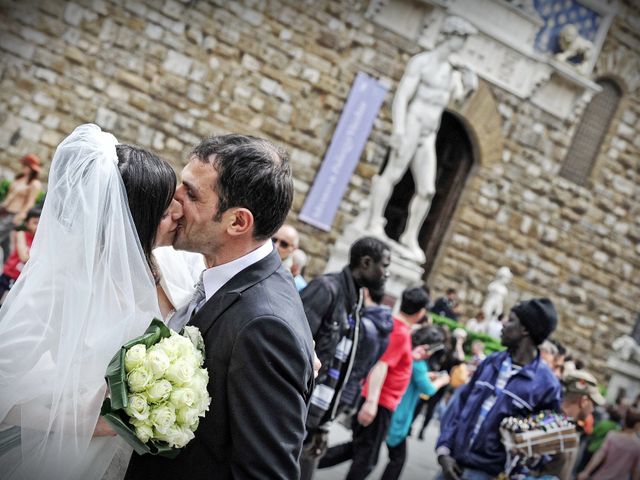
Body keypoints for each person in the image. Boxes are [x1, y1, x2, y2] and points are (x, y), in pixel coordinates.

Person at [126, 134, 315, 480]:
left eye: (192, 194)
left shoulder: (266, 328)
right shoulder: (213, 273)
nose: (174, 200)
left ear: (238, 222)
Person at [0, 124, 181, 479]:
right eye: (164, 212)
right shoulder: (60, 285)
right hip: (61, 456)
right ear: (133, 221)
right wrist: (84, 424)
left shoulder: (166, 266)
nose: (177, 217)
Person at [358, 16, 477, 261]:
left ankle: (410, 236)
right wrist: (399, 129)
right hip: (413, 122)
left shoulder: (451, 73)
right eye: (461, 38)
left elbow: (457, 102)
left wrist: (470, 86)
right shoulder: (422, 63)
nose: (463, 44)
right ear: (450, 36)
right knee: (393, 173)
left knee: (427, 190)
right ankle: (373, 222)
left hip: (429, 133)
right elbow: (402, 97)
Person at [436, 298, 562, 480]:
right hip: (452, 464)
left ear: (525, 330)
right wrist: (444, 450)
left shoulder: (548, 385)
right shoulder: (490, 362)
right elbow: (459, 406)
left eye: (510, 320)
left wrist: (520, 463)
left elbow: (546, 445)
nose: (502, 325)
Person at [299, 236, 391, 480]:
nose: (387, 273)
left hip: (312, 421)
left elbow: (339, 369)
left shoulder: (355, 302)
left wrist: (323, 424)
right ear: (366, 263)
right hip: (294, 416)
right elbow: (292, 354)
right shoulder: (326, 289)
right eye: (385, 265)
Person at [322, 287, 429, 479]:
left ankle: (308, 459)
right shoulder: (400, 332)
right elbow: (381, 365)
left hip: (378, 400)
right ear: (421, 313)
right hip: (380, 402)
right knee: (366, 459)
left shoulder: (397, 327)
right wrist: (371, 402)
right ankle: (306, 459)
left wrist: (410, 356)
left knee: (358, 449)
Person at [381, 326, 450, 480]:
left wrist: (428, 375)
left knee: (363, 451)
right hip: (396, 415)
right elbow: (428, 389)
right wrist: (442, 380)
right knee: (396, 460)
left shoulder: (411, 357)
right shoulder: (418, 364)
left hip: (389, 410)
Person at [540, 369, 606, 479]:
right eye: (593, 404)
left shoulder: (562, 424)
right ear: (584, 401)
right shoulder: (553, 426)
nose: (592, 409)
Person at [0, 154, 43, 258]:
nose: (23, 168)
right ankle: (8, 265)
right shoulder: (19, 178)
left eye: (26, 166)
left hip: (15, 214)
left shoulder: (34, 184)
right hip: (5, 210)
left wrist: (21, 215)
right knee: (7, 243)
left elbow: (30, 202)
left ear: (32, 169)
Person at [578, 408, 640, 480]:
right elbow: (636, 470)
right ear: (637, 425)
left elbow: (600, 454)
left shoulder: (612, 434)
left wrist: (586, 472)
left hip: (601, 475)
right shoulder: (637, 445)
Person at [0, 206, 40, 302]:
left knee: (12, 303)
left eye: (40, 223)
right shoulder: (21, 234)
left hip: (22, 279)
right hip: (10, 273)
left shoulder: (41, 240)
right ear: (27, 223)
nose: (38, 226)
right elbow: (24, 257)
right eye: (35, 223)